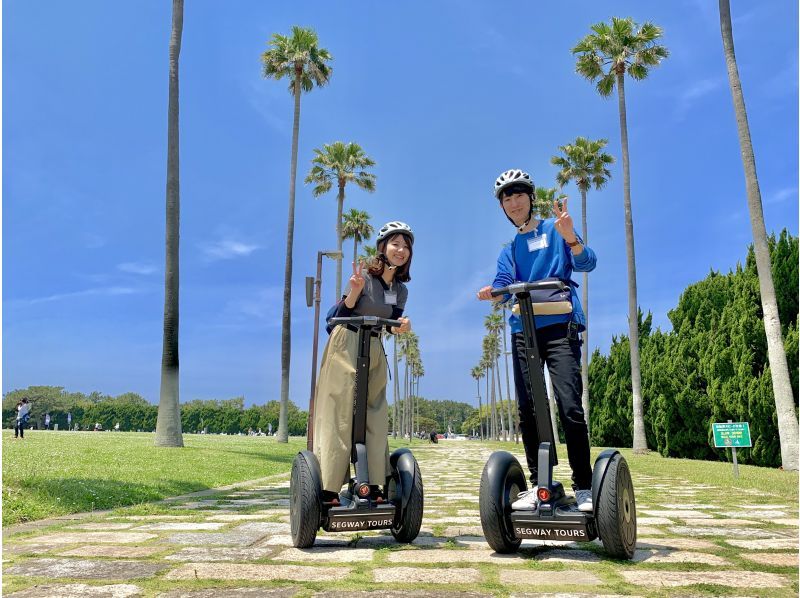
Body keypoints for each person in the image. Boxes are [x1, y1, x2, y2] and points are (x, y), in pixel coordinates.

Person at [477, 169, 596, 513]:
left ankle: (584, 485)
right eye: (506, 199)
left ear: (530, 198)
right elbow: (502, 281)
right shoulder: (510, 249)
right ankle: (539, 483)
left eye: (518, 196)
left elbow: (588, 262)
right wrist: (493, 292)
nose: (513, 203)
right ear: (503, 207)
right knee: (528, 411)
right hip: (523, 332)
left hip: (561, 327)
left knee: (570, 406)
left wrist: (571, 236)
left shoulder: (555, 230)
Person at [313, 221, 414, 505]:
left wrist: (401, 326)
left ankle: (374, 484)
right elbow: (337, 316)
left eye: (406, 246)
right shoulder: (364, 277)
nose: (401, 250)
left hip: (375, 345)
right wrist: (355, 290)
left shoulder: (401, 290)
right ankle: (330, 489)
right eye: (395, 243)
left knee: (376, 412)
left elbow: (393, 323)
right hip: (347, 341)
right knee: (340, 413)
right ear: (383, 247)